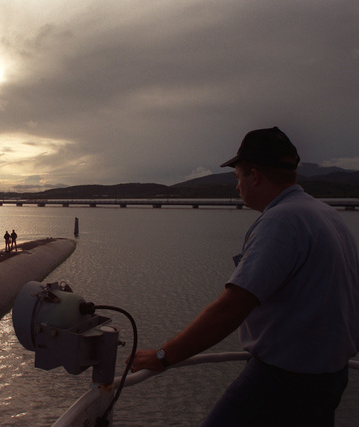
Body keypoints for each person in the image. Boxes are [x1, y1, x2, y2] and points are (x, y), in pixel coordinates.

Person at [129, 127, 359, 426]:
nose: (237, 188)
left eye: (237, 178)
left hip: (285, 379)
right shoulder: (326, 214)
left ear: (255, 176)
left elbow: (231, 308)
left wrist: (163, 356)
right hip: (330, 375)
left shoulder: (281, 221)